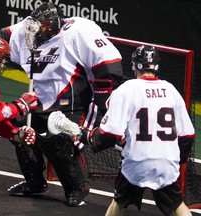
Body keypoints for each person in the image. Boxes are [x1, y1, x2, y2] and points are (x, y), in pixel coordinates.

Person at [0, 2, 126, 207]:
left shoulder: (78, 29)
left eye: (45, 27)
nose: (39, 32)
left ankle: (77, 188)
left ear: (56, 23)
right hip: (40, 102)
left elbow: (109, 66)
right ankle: (35, 181)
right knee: (15, 125)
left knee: (59, 141)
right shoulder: (29, 29)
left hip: (74, 105)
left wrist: (104, 108)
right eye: (37, 26)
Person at [78, 45, 195, 215]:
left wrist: (91, 138)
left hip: (137, 163)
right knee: (177, 204)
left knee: (118, 203)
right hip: (167, 163)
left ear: (135, 65)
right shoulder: (171, 90)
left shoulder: (127, 89)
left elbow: (109, 134)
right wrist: (178, 161)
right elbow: (187, 135)